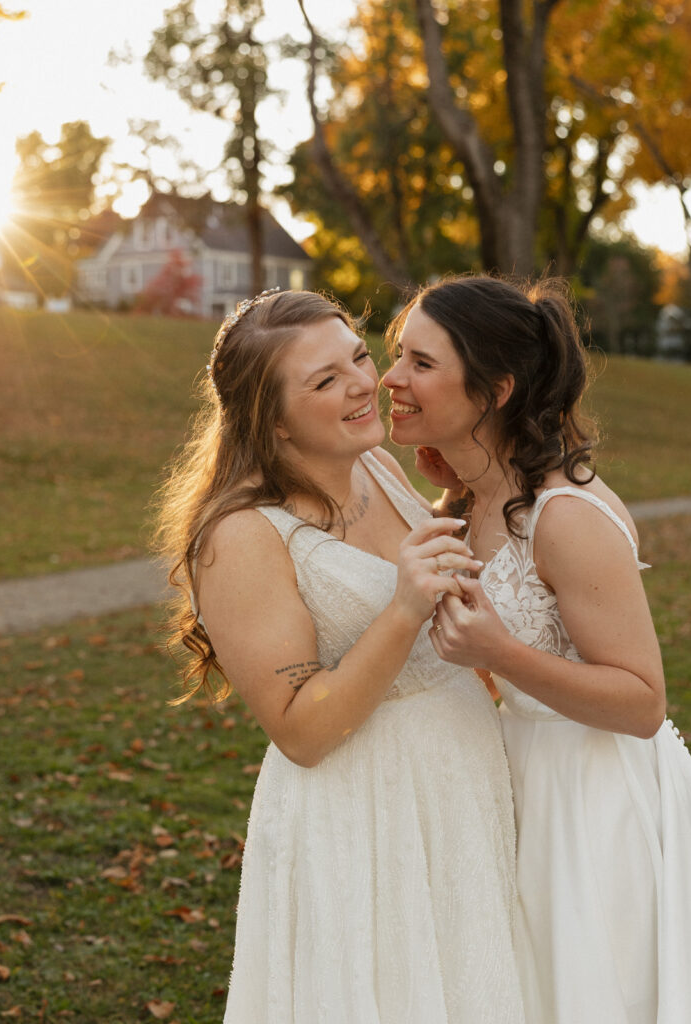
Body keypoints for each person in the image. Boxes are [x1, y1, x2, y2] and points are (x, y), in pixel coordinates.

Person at [155, 288, 526, 1023]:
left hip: (457, 785)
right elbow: (300, 732)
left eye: (357, 357)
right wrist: (403, 608)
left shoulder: (376, 467)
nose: (363, 383)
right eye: (323, 381)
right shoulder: (239, 537)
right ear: (274, 421)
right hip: (364, 814)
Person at [383, 273, 691, 1024]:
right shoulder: (471, 498)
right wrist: (452, 481)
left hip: (596, 802)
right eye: (398, 355)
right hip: (519, 784)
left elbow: (641, 701)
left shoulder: (565, 514)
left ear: (493, 390)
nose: (391, 378)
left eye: (421, 363)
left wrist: (499, 651)